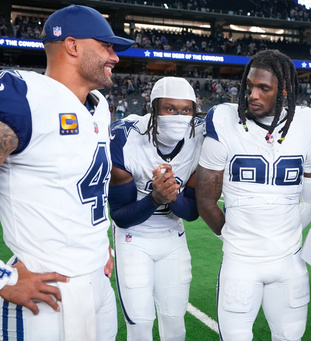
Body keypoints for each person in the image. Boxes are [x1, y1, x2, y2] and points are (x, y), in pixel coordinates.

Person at [0, 5, 133, 340]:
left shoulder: (98, 107)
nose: (114, 56)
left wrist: (98, 247)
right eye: (106, 46)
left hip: (98, 283)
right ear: (72, 46)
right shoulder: (25, 96)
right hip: (46, 292)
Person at [195, 49, 311, 340]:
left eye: (263, 88)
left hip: (288, 261)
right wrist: (234, 236)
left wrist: (284, 236)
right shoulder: (224, 119)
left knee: (290, 336)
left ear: (285, 90)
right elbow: (205, 199)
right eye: (249, 86)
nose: (252, 94)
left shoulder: (308, 123)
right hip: (240, 262)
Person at [109, 77, 204, 341]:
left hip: (173, 237)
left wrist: (172, 198)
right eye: (170, 109)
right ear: (153, 109)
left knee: (175, 323)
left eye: (186, 110)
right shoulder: (125, 138)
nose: (179, 116)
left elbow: (193, 211)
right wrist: (155, 199)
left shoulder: (200, 136)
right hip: (133, 239)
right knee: (140, 325)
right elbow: (120, 217)